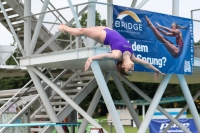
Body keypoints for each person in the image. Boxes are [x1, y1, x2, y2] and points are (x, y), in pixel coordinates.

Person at [58, 24, 164, 80]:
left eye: (129, 70)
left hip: (104, 36)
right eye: (132, 69)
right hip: (110, 30)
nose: (132, 68)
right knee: (88, 28)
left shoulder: (117, 55)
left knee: (83, 31)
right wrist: (157, 71)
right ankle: (65, 27)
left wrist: (92, 58)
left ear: (123, 66)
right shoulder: (132, 57)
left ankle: (64, 28)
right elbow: (146, 64)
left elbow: (104, 56)